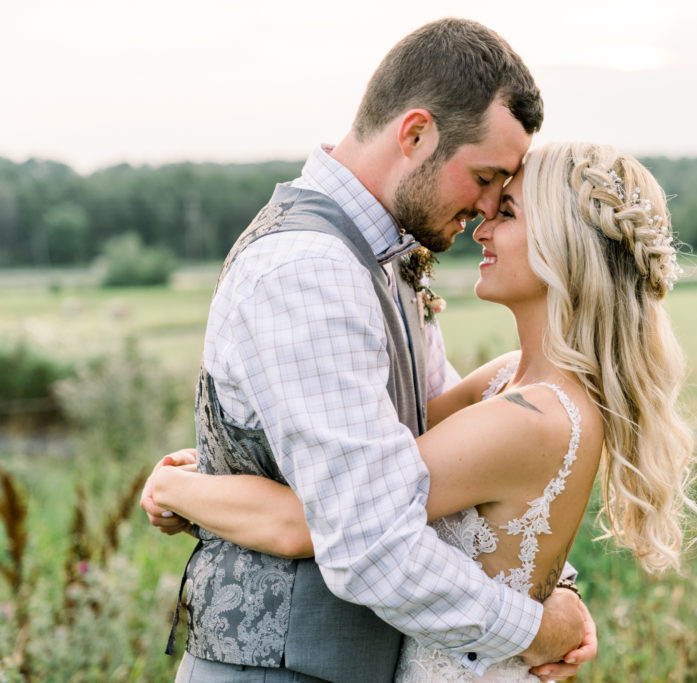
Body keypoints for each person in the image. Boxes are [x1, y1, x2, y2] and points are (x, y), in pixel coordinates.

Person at [138, 19, 595, 683]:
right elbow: (371, 544)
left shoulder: (388, 253)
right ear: (415, 135)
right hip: (279, 669)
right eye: (485, 175)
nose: (489, 206)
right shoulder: (308, 269)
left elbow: (452, 467)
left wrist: (549, 582)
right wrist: (528, 628)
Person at [147, 141, 697, 681]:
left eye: (506, 212)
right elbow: (356, 446)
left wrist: (177, 489)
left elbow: (330, 519)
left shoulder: (527, 419)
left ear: (563, 247)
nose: (481, 227)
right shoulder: (510, 380)